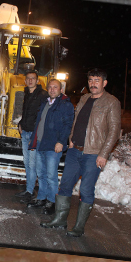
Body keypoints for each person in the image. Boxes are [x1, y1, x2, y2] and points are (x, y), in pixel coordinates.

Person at [42, 68, 122, 237]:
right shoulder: (84, 98)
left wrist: (104, 154)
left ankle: (78, 227)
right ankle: (60, 220)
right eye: (91, 80)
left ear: (104, 83)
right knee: (65, 186)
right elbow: (76, 121)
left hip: (93, 154)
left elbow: (114, 131)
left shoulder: (111, 102)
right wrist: (71, 138)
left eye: (97, 80)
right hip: (75, 151)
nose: (93, 84)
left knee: (85, 190)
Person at [28, 78, 74, 214]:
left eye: (55, 87)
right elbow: (39, 122)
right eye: (50, 87)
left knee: (51, 175)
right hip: (40, 143)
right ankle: (42, 198)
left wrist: (61, 141)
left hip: (53, 146)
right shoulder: (45, 103)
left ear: (61, 90)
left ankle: (52, 201)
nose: (52, 90)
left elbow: (68, 125)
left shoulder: (65, 105)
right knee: (41, 174)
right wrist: (33, 140)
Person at [13, 70, 45, 200]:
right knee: (27, 163)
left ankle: (31, 192)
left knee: (33, 164)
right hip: (25, 132)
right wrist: (20, 123)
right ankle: (28, 190)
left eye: (33, 78)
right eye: (28, 78)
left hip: (33, 134)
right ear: (25, 81)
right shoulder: (26, 93)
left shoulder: (42, 95)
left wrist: (37, 134)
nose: (30, 80)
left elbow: (42, 116)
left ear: (37, 80)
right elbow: (27, 112)